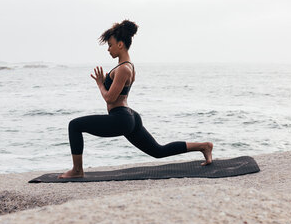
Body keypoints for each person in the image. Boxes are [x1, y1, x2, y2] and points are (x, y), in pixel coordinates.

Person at [58, 19, 213, 179]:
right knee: (158, 151)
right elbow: (118, 93)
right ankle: (203, 146)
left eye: (110, 45)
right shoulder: (127, 67)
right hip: (129, 117)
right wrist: (106, 82)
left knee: (74, 125)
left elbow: (110, 99)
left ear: (120, 45)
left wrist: (100, 84)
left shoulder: (123, 68)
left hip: (121, 118)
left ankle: (77, 170)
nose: (108, 49)